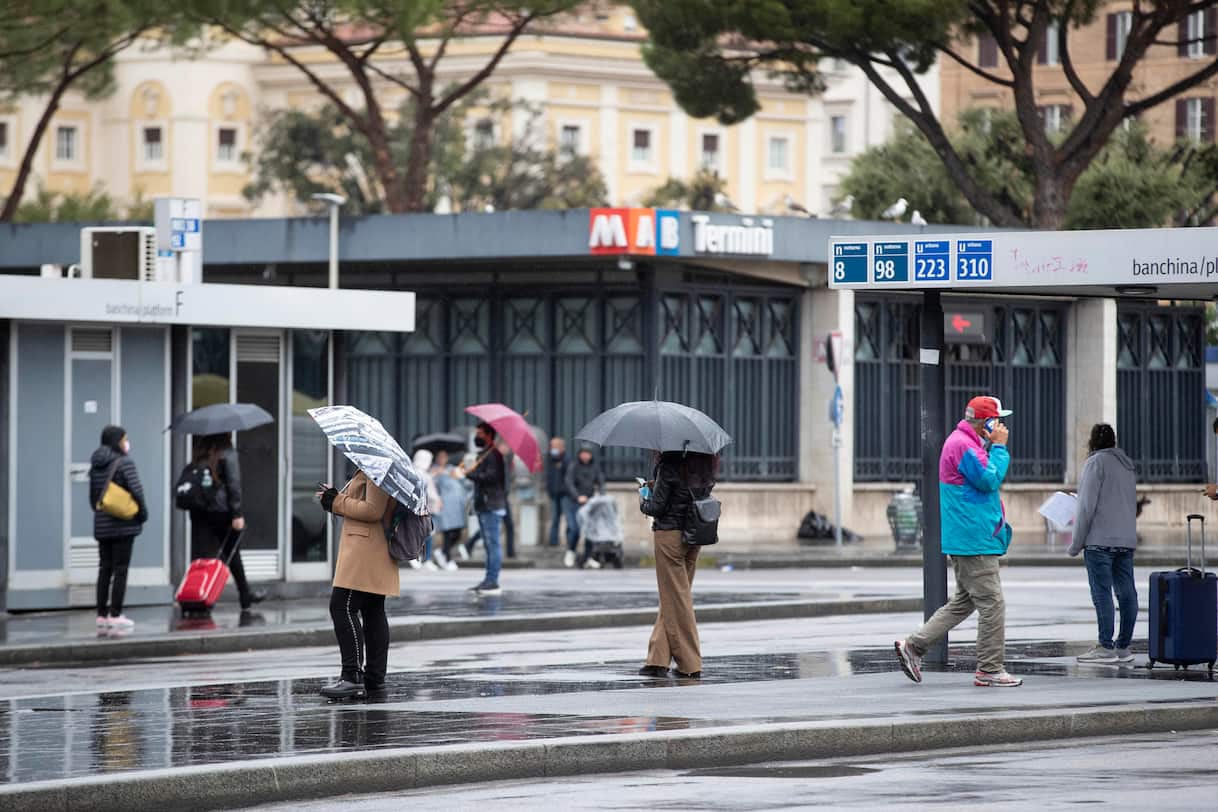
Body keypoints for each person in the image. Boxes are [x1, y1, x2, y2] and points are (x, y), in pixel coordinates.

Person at [894, 395, 1022, 688]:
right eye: (997, 420)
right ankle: (990, 669)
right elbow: (989, 480)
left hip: (969, 537)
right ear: (986, 422)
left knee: (964, 602)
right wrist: (1000, 447)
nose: (1001, 425)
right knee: (992, 604)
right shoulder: (963, 445)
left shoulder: (965, 443)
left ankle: (914, 646)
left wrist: (991, 446)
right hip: (974, 539)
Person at [315, 469, 397, 699]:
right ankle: (374, 679)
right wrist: (333, 498)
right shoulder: (368, 466)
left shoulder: (376, 467)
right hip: (369, 547)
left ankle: (351, 676)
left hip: (366, 550)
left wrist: (336, 501)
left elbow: (373, 510)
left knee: (341, 607)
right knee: (372, 610)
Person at [638, 450, 717, 679]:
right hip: (695, 535)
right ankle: (657, 659)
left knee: (677, 599)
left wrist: (644, 497)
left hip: (670, 536)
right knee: (674, 597)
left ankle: (690, 663)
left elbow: (657, 508)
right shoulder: (705, 465)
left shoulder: (669, 465)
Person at [1068, 423, 1138, 664]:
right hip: (1126, 539)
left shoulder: (1095, 463)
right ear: (1114, 441)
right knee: (1127, 593)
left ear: (1092, 443)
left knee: (1102, 593)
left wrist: (1076, 544)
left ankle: (1105, 647)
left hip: (1099, 541)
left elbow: (1086, 507)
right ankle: (1124, 647)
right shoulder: (1127, 465)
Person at [189, 434, 267, 610]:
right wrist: (237, 514)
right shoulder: (227, 453)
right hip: (222, 512)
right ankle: (244, 596)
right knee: (232, 554)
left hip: (200, 511)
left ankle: (198, 596)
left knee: (202, 556)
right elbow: (233, 484)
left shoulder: (199, 453)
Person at [89, 425, 148, 631]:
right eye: (124, 439)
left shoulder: (96, 464)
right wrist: (143, 514)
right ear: (117, 441)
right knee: (121, 569)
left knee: (104, 568)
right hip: (124, 525)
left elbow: (93, 497)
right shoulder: (125, 462)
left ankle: (101, 615)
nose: (126, 442)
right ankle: (115, 614)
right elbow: (137, 492)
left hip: (102, 524)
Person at [459, 422, 506, 595]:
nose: (477, 436)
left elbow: (492, 477)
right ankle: (488, 580)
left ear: (488, 435)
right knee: (488, 544)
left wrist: (470, 474)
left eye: (480, 433)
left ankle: (492, 581)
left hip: (491, 504)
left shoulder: (494, 455)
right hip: (486, 504)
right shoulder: (486, 454)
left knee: (492, 545)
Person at [565, 445, 606, 568]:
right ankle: (571, 551)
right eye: (583, 453)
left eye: (587, 453)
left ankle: (588, 557)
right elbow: (569, 482)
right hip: (575, 502)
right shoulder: (573, 466)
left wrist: (601, 495)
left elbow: (601, 481)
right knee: (575, 529)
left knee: (590, 531)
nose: (585, 456)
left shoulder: (595, 467)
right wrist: (577, 496)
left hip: (589, 503)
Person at [431, 450, 468, 571]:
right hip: (445, 504)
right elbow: (431, 486)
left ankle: (442, 552)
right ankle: (447, 558)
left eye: (444, 456)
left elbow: (464, 480)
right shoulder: (434, 470)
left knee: (457, 532)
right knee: (447, 532)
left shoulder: (452, 468)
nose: (442, 459)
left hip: (457, 506)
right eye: (440, 457)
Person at [410, 449, 441, 571]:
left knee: (414, 532)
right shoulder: (425, 475)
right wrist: (438, 501)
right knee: (427, 534)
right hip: (426, 509)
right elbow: (431, 493)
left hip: (412, 507)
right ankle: (426, 558)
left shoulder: (411, 471)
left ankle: (413, 555)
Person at [546, 437, 579, 551]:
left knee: (569, 519)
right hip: (554, 493)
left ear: (561, 447)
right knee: (555, 518)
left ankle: (570, 542)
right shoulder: (550, 459)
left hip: (565, 494)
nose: (552, 448)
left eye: (554, 446)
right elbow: (549, 476)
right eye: (551, 446)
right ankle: (553, 542)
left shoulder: (567, 459)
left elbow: (569, 478)